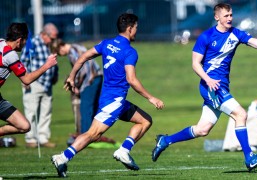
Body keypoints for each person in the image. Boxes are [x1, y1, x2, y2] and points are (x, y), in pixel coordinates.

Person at [151, 3, 257, 172]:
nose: (230, 18)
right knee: (241, 114)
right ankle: (249, 157)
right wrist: (208, 79)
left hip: (221, 87)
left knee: (202, 130)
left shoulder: (236, 34)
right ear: (217, 17)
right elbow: (195, 64)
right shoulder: (206, 37)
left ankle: (165, 141)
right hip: (211, 87)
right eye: (226, 16)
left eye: (231, 15)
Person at [51, 13, 164, 177]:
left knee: (145, 120)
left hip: (115, 100)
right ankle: (62, 157)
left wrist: (71, 76)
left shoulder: (106, 44)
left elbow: (83, 57)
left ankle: (124, 151)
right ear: (130, 28)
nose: (136, 32)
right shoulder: (130, 52)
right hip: (114, 102)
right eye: (136, 28)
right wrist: (151, 98)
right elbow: (131, 80)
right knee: (93, 134)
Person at [52, 39, 119, 148]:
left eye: (59, 53)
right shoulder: (77, 45)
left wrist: (75, 84)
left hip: (89, 80)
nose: (61, 55)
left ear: (60, 47)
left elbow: (83, 69)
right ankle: (95, 134)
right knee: (93, 107)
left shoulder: (72, 52)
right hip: (98, 76)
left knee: (85, 108)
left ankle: (86, 137)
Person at [0, 23, 57, 138]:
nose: (26, 44)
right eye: (25, 40)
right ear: (20, 40)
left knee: (24, 126)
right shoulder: (10, 55)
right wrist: (47, 65)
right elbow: (26, 79)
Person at [20, 23, 59, 148]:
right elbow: (23, 62)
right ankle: (31, 139)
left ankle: (43, 138)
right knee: (31, 112)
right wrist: (24, 80)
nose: (54, 40)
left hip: (48, 84)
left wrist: (55, 75)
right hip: (34, 83)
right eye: (52, 38)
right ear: (44, 34)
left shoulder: (50, 45)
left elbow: (54, 62)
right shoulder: (33, 43)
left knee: (45, 113)